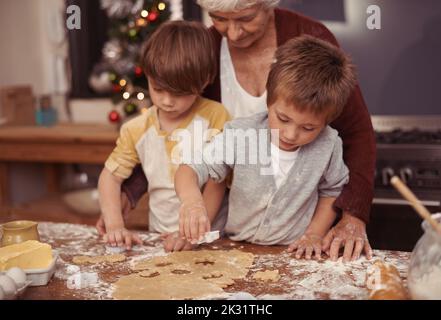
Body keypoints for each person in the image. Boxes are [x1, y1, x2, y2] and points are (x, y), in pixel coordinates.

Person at [102, 0, 375, 262]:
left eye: (245, 18)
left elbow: (356, 133)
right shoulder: (204, 48)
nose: (232, 32)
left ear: (268, 5)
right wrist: (127, 193)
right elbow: (174, 127)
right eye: (219, 19)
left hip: (292, 230)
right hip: (229, 226)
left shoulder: (311, 39)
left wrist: (354, 215)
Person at [175, 35, 357, 260]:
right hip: (236, 248)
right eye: (282, 118)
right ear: (269, 100)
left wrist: (314, 234)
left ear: (327, 121)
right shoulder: (240, 134)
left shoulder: (329, 145)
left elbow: (332, 191)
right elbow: (190, 169)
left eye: (308, 128)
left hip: (294, 253)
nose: (290, 134)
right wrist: (192, 202)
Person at [97, 21, 231, 250]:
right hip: (160, 238)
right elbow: (110, 177)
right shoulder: (136, 129)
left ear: (205, 79)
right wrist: (115, 224)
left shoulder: (216, 117)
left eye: (180, 93)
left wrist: (194, 233)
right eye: (158, 89)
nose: (167, 101)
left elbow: (218, 182)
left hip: (212, 239)